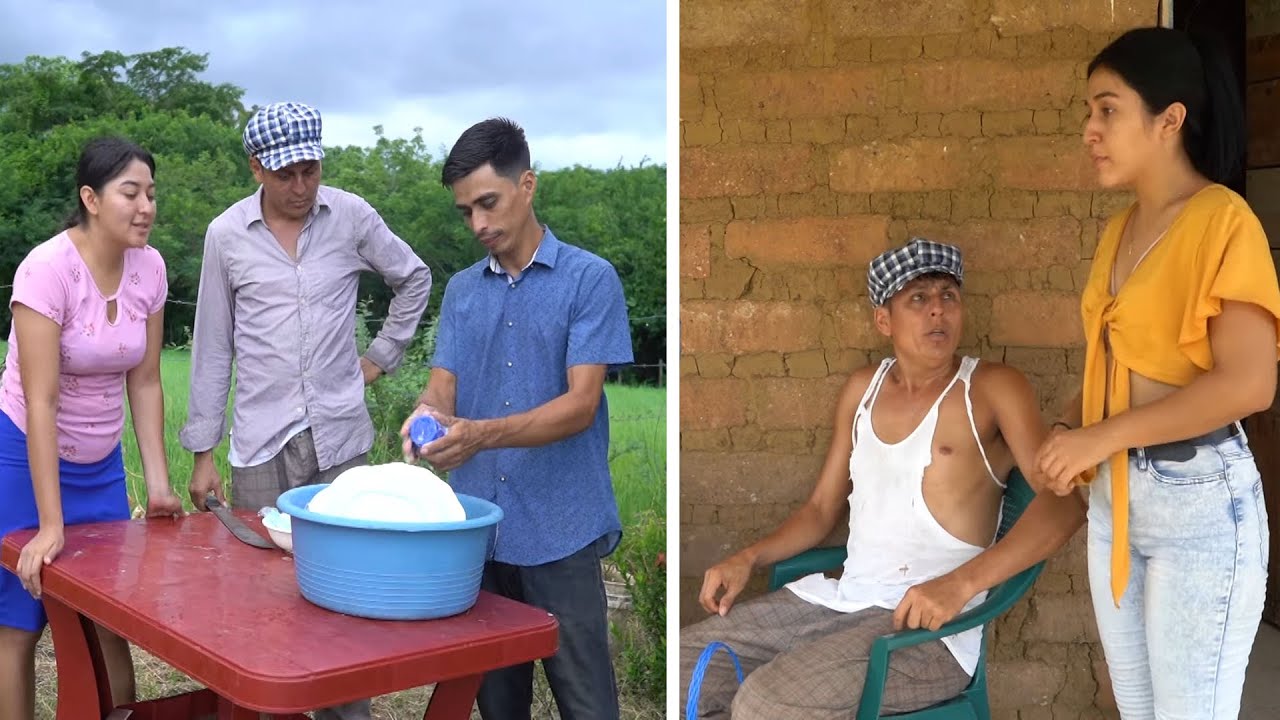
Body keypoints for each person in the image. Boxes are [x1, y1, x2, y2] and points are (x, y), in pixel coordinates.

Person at [679, 239, 1087, 719]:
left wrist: (959, 585)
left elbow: (1065, 505)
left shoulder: (992, 388)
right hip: (841, 603)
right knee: (687, 668)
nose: (937, 309)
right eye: (918, 298)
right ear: (883, 320)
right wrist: (747, 558)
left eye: (948, 296)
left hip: (929, 632)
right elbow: (819, 511)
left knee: (764, 704)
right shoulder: (863, 389)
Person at [1034, 27, 1280, 719]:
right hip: (1117, 503)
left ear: (1168, 119)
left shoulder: (1223, 222)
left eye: (1107, 109)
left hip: (1198, 503)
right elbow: (1114, 362)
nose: (1090, 129)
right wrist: (1073, 432)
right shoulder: (1119, 231)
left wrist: (1099, 437)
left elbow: (1248, 385)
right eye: (1088, 111)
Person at [179, 101, 432, 720]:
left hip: (339, 437)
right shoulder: (226, 235)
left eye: (310, 171)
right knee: (261, 604)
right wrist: (202, 454)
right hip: (260, 445)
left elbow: (414, 278)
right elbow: (213, 346)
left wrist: (378, 358)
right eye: (286, 173)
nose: (300, 187)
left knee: (341, 600)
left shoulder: (350, 216)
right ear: (256, 168)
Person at [399, 117, 634, 720]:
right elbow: (441, 390)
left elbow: (581, 406)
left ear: (527, 184)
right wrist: (424, 423)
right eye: (465, 212)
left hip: (560, 528)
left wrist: (481, 436)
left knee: (588, 706)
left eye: (488, 203)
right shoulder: (461, 292)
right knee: (499, 706)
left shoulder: (589, 279)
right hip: (477, 532)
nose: (477, 224)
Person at [0, 137, 184, 720]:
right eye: (131, 192)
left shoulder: (149, 267)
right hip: (24, 455)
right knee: (19, 621)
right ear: (91, 198)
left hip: (100, 463)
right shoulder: (47, 269)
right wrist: (50, 524)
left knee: (109, 619)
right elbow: (42, 399)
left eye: (152, 193)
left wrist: (157, 484)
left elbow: (148, 381)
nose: (146, 206)